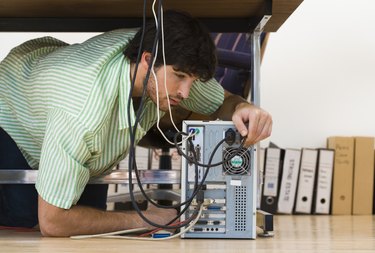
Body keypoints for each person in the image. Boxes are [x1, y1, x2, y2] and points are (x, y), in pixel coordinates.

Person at [0, 10, 272, 237]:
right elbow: (53, 222)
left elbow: (222, 101)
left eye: (192, 81)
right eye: (179, 77)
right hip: (12, 104)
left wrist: (243, 107)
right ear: (146, 61)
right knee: (26, 221)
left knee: (92, 227)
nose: (186, 94)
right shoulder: (82, 111)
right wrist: (145, 219)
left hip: (69, 114)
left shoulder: (167, 64)